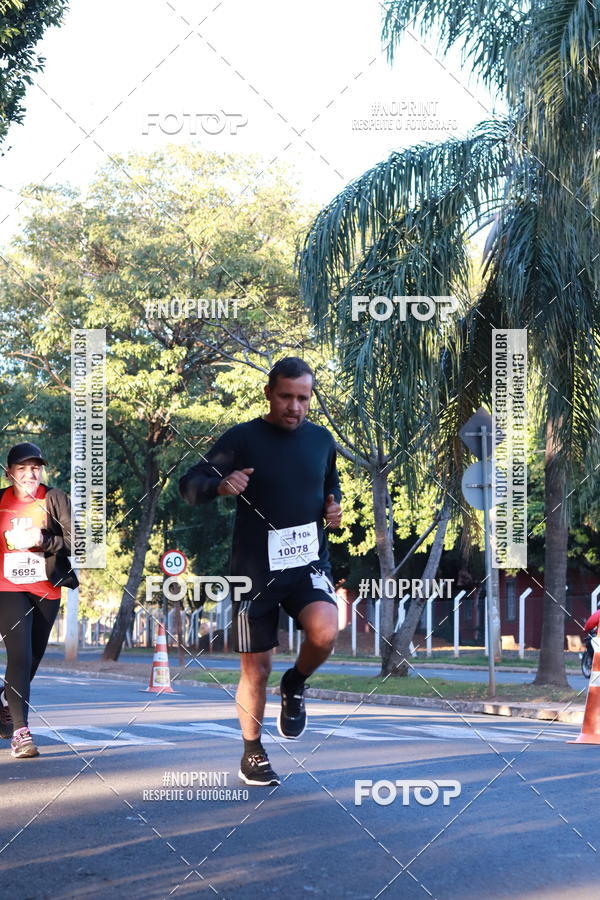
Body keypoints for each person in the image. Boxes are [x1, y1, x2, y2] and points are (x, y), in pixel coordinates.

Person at [179, 358, 342, 786]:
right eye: (286, 396)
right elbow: (189, 483)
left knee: (326, 630)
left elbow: (330, 486)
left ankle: (297, 682)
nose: (294, 406)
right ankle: (252, 752)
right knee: (256, 669)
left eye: (303, 398)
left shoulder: (323, 440)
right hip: (254, 572)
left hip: (307, 562)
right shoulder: (242, 439)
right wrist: (220, 484)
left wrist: (333, 508)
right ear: (269, 393)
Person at [0, 442, 78, 758]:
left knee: (32, 659)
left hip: (47, 589)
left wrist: (44, 539)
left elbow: (75, 542)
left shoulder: (54, 498)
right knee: (19, 654)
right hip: (7, 587)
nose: (31, 474)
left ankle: (5, 699)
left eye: (35, 468)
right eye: (23, 469)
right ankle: (21, 734)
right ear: (9, 474)